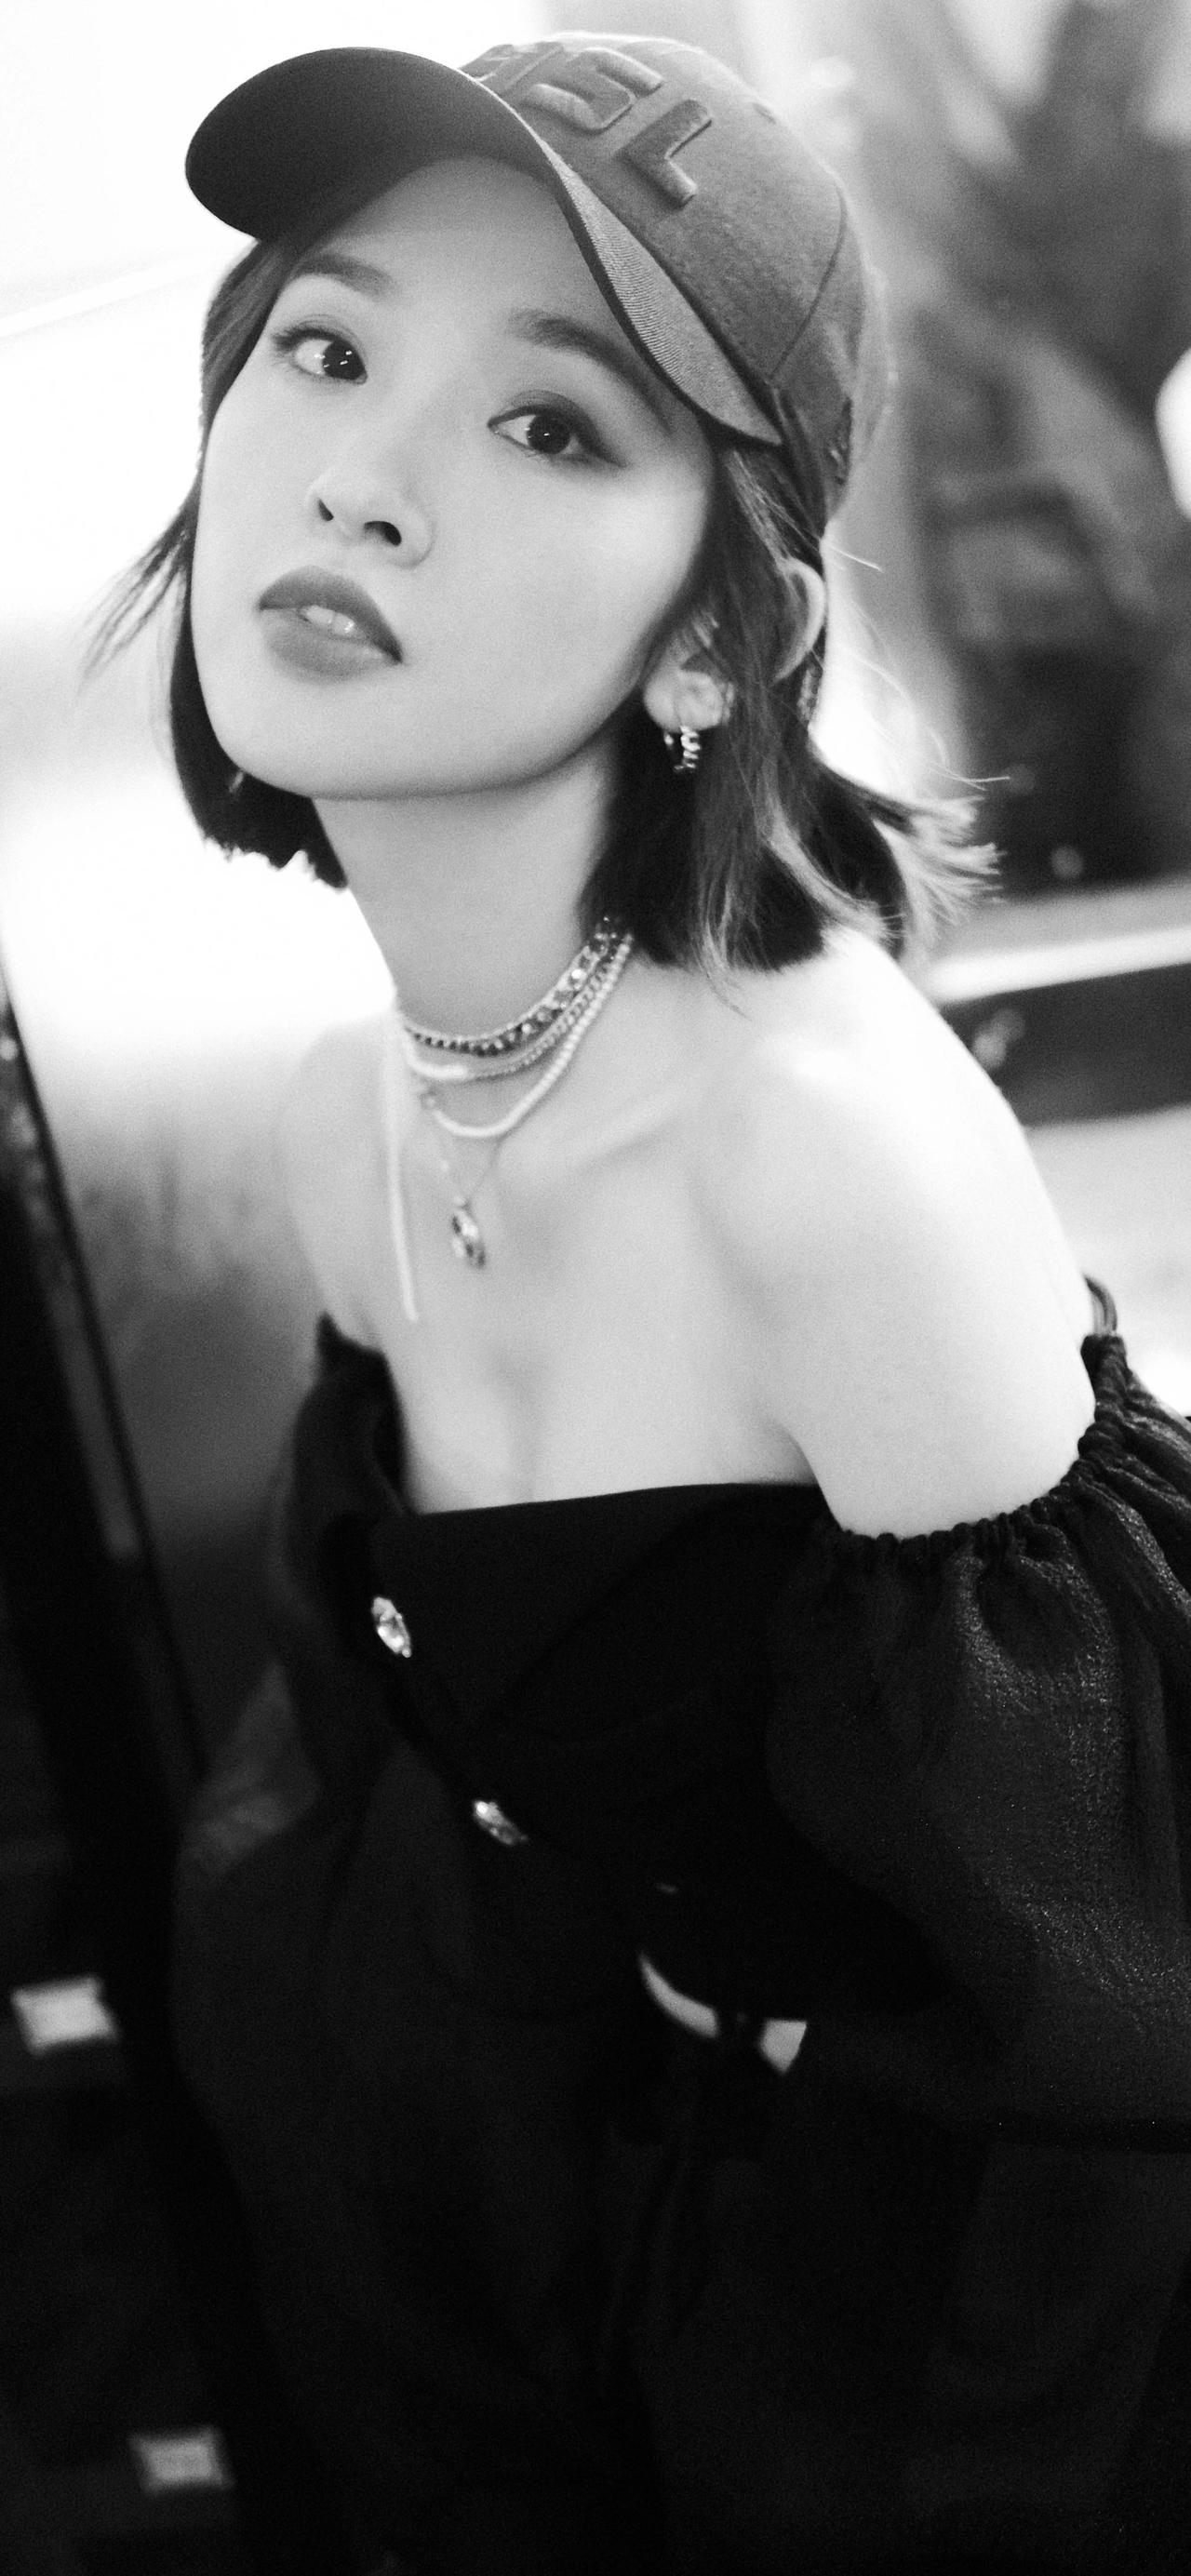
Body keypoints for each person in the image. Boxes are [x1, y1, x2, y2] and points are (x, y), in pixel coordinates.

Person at [105, 32, 1191, 2575]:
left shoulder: (824, 1157)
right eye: (326, 347)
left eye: (551, 425)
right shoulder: (342, 1126)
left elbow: (1107, 2047)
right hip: (600, 2258)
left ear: (720, 634)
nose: (363, 473)